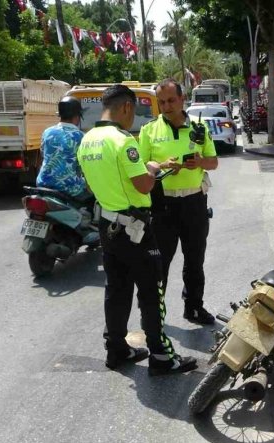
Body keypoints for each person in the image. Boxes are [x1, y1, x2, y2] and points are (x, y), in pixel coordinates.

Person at [77, 84, 197, 375]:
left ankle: (116, 348)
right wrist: (152, 169)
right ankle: (161, 356)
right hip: (135, 228)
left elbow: (92, 185)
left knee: (116, 289)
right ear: (127, 107)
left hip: (108, 225)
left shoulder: (87, 141)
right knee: (151, 290)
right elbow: (143, 185)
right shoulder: (123, 141)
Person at [139, 78, 220, 325]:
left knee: (195, 260)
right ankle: (153, 314)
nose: (166, 106)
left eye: (171, 100)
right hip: (162, 205)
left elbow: (213, 162)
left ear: (182, 99)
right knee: (159, 262)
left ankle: (194, 307)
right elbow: (141, 166)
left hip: (194, 202)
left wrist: (199, 162)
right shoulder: (149, 130)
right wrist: (161, 165)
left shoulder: (199, 127)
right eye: (161, 102)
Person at [36, 96, 93, 207]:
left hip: (43, 184)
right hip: (70, 188)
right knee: (94, 202)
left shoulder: (47, 132)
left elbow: (43, 155)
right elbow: (85, 165)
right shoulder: (81, 136)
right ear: (77, 116)